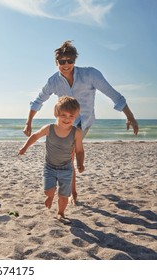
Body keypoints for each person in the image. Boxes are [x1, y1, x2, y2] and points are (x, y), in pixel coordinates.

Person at [23, 40, 138, 205]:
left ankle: (72, 192)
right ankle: (73, 192)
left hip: (84, 121)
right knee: (69, 157)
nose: (66, 64)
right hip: (66, 122)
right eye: (62, 61)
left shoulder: (90, 75)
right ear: (57, 62)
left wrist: (130, 116)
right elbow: (38, 100)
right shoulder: (53, 81)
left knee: (70, 155)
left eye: (70, 61)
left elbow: (112, 94)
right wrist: (28, 122)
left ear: (74, 61)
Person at [18, 96, 84, 224]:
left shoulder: (76, 133)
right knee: (48, 191)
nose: (67, 119)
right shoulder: (50, 128)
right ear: (56, 114)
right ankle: (50, 195)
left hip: (66, 168)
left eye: (71, 116)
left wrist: (80, 164)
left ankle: (61, 213)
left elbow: (80, 151)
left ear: (76, 116)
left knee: (64, 196)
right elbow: (35, 136)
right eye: (64, 115)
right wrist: (25, 147)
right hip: (50, 167)